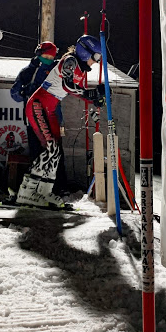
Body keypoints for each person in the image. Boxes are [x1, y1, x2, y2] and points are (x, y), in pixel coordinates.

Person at [15, 34, 106, 208]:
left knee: (56, 152)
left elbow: (75, 90)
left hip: (49, 110)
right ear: (85, 52)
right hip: (38, 106)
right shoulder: (70, 61)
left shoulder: (78, 68)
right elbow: (67, 86)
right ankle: (28, 192)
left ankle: (45, 192)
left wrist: (94, 98)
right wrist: (89, 94)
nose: (96, 62)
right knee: (51, 150)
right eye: (95, 57)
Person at [10, 41, 58, 160]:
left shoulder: (57, 70)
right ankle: (36, 177)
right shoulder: (28, 72)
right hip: (33, 119)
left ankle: (54, 178)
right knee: (36, 152)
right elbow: (15, 94)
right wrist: (26, 93)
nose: (48, 60)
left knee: (54, 154)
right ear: (39, 54)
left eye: (51, 57)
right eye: (46, 57)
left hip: (52, 118)